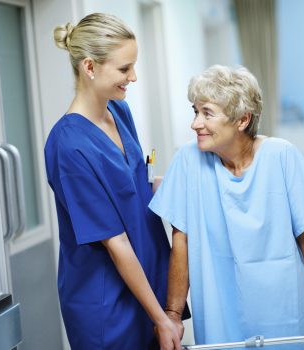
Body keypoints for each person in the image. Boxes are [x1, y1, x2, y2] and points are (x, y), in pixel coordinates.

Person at [149, 65, 304, 348]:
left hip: (287, 312)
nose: (195, 123)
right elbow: (180, 242)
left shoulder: (280, 156)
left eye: (206, 113)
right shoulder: (188, 161)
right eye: (194, 112)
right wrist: (172, 315)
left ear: (242, 119)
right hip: (222, 313)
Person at [45, 13, 187, 349]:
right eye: (124, 69)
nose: (133, 77)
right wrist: (160, 318)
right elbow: (115, 242)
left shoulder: (119, 111)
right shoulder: (68, 146)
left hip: (147, 280)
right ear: (90, 67)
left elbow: (135, 185)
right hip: (105, 304)